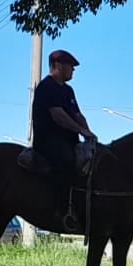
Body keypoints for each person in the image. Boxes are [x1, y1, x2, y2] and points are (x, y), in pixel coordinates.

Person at [31, 49, 98, 231]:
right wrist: (81, 130)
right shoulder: (46, 87)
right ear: (58, 66)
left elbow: (77, 114)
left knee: (92, 160)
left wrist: (89, 133)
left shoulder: (68, 91)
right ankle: (61, 211)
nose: (73, 71)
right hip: (49, 141)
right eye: (70, 67)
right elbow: (58, 115)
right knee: (67, 161)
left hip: (69, 141)